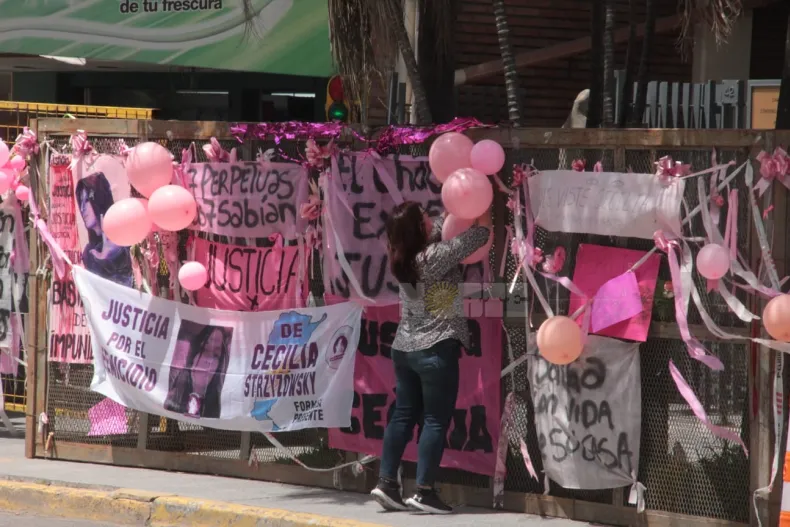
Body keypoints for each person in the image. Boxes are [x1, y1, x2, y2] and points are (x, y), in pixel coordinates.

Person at [371, 202, 490, 515]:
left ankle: (387, 483)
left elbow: (440, 226)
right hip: (435, 348)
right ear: (418, 229)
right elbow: (479, 235)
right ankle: (424, 491)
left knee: (403, 415)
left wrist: (455, 199)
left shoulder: (401, 255)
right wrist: (483, 198)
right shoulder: (433, 257)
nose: (429, 216)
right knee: (435, 419)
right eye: (423, 216)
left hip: (405, 348)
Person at [75, 173, 133, 287]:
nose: (82, 208)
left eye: (86, 201)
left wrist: (111, 257)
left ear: (99, 199)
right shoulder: (89, 252)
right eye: (80, 202)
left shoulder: (122, 242)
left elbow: (128, 286)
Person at [164, 325, 231, 419]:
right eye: (204, 350)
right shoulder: (172, 397)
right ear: (193, 354)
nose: (208, 361)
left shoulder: (222, 409)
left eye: (216, 355)